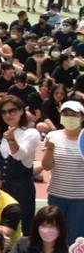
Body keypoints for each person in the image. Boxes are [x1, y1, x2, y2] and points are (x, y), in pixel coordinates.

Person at [0, 94, 39, 230]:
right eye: (4, 112)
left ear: (21, 111)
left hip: (22, 191)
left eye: (12, 110)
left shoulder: (31, 133)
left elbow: (20, 155)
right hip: (0, 191)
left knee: (23, 228)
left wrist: (12, 140)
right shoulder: (0, 135)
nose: (8, 115)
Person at [41, 99, 84, 242]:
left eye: (74, 114)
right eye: (66, 114)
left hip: (80, 198)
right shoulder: (53, 136)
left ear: (82, 117)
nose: (69, 117)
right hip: (56, 195)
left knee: (76, 238)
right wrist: (50, 149)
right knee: (54, 236)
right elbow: (46, 166)